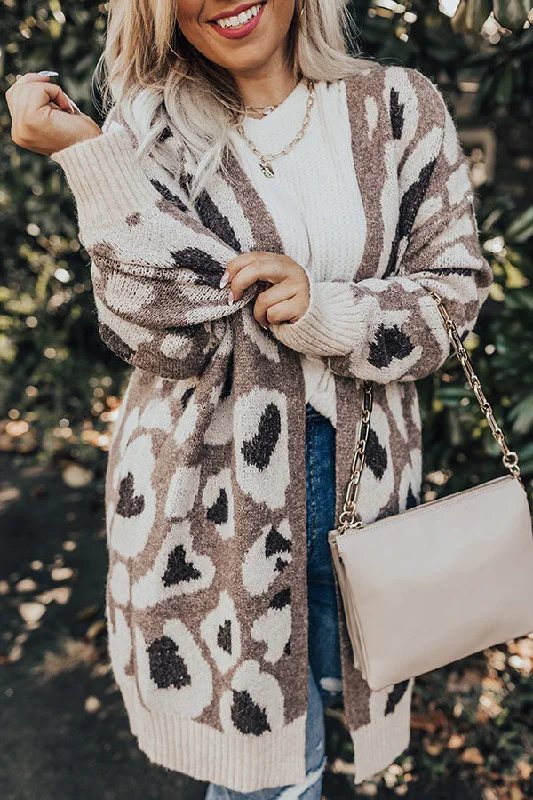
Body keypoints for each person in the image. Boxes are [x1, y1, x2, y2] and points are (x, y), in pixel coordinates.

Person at [5, 0, 493, 797]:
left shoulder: (398, 107)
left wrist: (326, 312)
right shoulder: (144, 127)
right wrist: (92, 158)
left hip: (363, 490)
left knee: (340, 725)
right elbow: (164, 336)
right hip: (209, 513)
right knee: (261, 776)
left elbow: (453, 296)